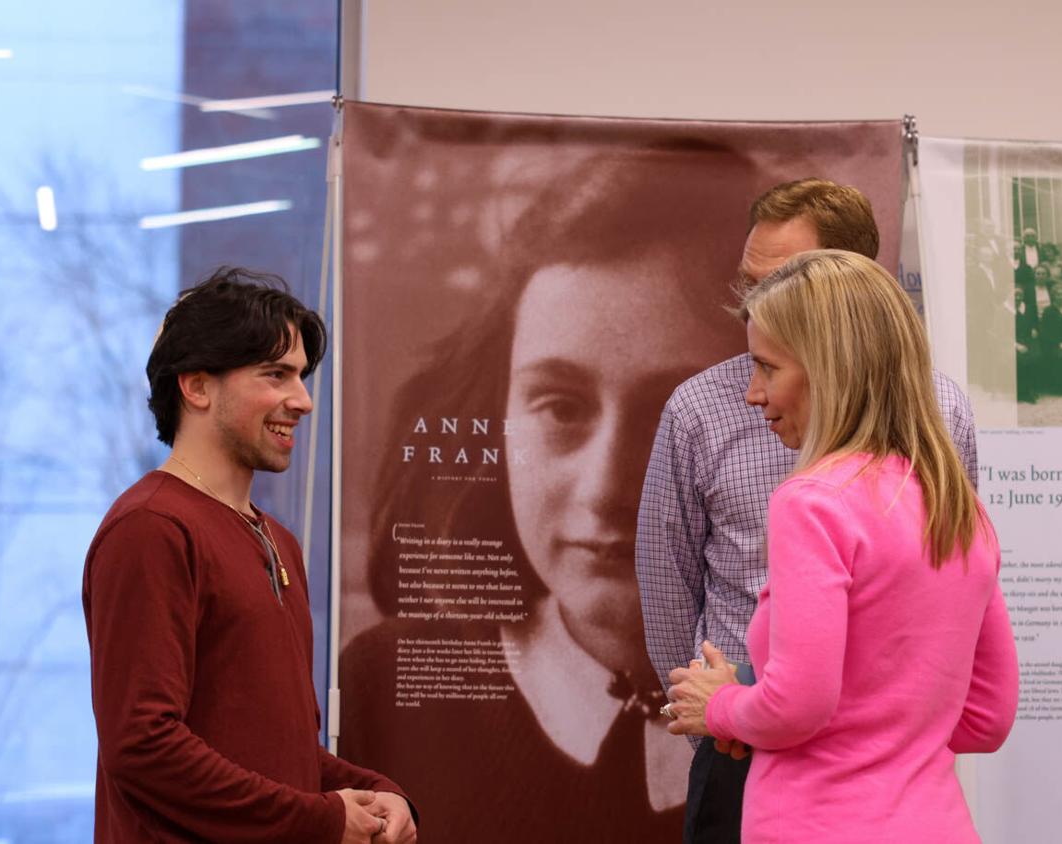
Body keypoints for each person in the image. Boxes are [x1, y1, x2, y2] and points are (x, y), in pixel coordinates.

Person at [338, 143, 761, 843]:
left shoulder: (804, 696)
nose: (605, 488)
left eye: (666, 415)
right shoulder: (384, 683)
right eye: (562, 408)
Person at [635, 177, 980, 844]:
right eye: (748, 282)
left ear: (845, 291)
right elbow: (668, 588)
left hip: (870, 767)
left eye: (779, 282)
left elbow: (954, 596)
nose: (752, 307)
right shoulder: (700, 411)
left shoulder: (941, 418)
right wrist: (721, 718)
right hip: (765, 757)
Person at [83, 269, 416, 843]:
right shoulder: (150, 528)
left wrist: (378, 791)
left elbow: (275, 750)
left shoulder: (278, 539)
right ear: (197, 386)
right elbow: (142, 746)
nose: (304, 401)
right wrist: (320, 819)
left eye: (302, 376)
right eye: (276, 375)